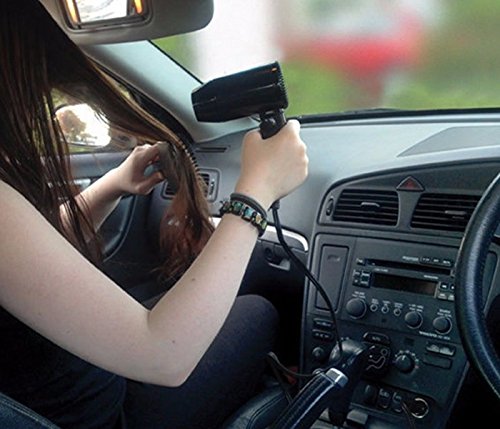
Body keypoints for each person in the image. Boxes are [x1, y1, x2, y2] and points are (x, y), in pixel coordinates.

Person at [0, 1, 309, 429]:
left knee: (251, 271)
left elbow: (32, 257)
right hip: (107, 414)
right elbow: (164, 355)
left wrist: (112, 185)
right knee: (259, 311)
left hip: (82, 371)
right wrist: (256, 194)